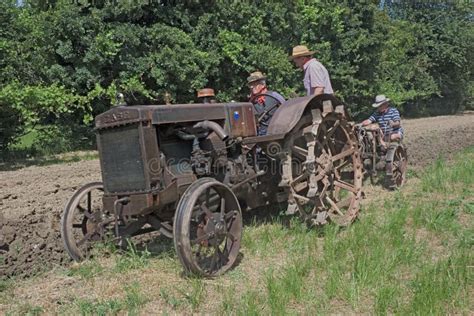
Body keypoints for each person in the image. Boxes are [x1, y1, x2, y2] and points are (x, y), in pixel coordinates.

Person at [247, 71, 285, 136]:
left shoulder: (274, 96)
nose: (252, 87)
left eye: (255, 84)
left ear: (263, 85)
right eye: (251, 84)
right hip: (261, 134)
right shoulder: (251, 103)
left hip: (277, 132)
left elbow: (286, 108)